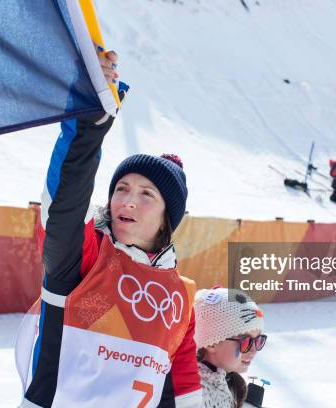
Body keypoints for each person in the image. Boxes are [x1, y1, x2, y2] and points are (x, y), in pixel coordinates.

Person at [15, 49, 202, 407]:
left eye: (147, 194)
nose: (127, 201)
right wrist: (88, 121)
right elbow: (63, 207)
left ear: (169, 217)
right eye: (121, 189)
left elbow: (180, 388)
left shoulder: (181, 296)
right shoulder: (85, 258)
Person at [194, 287, 267, 407]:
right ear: (212, 343)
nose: (254, 351)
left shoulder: (229, 382)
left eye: (258, 340)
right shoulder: (196, 395)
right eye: (245, 341)